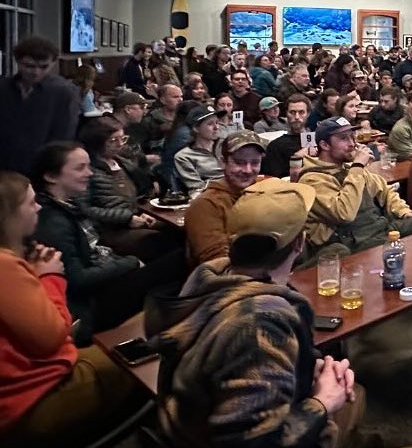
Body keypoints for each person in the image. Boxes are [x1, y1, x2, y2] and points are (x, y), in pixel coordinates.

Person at [146, 179, 363, 447]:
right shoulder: (259, 326)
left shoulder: (209, 278)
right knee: (356, 400)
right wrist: (322, 403)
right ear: (299, 243)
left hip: (187, 426)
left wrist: (304, 366)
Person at [0, 171, 144, 446]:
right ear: (9, 216)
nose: (39, 207)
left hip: (25, 390)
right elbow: (52, 337)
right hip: (33, 399)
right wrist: (50, 276)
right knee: (151, 337)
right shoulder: (5, 267)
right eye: (31, 203)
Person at [32, 142, 184, 345]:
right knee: (180, 259)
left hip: (104, 274)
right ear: (50, 176)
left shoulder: (69, 207)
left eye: (88, 166)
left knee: (173, 250)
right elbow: (79, 279)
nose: (90, 173)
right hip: (91, 307)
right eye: (80, 168)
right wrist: (129, 263)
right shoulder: (53, 222)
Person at [298, 118, 412, 256]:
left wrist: (403, 212)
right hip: (355, 242)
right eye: (343, 139)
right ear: (324, 145)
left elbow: (385, 190)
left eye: (352, 137)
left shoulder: (350, 169)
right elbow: (344, 214)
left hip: (384, 229)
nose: (352, 144)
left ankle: (406, 245)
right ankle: (408, 245)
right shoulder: (312, 179)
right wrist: (358, 165)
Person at [78, 116, 168, 261]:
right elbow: (86, 210)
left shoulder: (123, 163)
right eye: (113, 140)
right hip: (109, 230)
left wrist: (140, 214)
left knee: (179, 230)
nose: (120, 144)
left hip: (133, 219)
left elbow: (134, 198)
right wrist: (126, 218)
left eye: (123, 138)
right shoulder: (88, 171)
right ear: (97, 142)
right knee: (159, 241)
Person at [0, 37, 80, 176]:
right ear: (17, 61)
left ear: (53, 63)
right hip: (4, 167)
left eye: (44, 67)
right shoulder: (3, 88)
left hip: (40, 169)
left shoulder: (63, 91)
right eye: (29, 66)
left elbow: (64, 137)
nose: (36, 72)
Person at [184, 131, 266, 265]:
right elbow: (217, 264)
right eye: (239, 162)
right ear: (222, 162)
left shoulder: (263, 191)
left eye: (255, 162)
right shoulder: (205, 205)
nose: (247, 170)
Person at [173, 106, 225, 194]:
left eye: (217, 122)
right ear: (196, 128)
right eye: (210, 124)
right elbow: (196, 187)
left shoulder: (226, 146)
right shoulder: (184, 156)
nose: (216, 127)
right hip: (210, 196)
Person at [262, 94, 312, 178]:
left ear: (308, 114)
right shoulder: (275, 146)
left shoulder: (319, 140)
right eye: (292, 112)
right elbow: (272, 179)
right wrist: (296, 157)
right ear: (286, 114)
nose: (296, 117)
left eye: (301, 112)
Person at [145, 84, 183, 155]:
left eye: (181, 96)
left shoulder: (186, 116)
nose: (180, 100)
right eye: (175, 97)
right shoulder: (150, 120)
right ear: (163, 100)